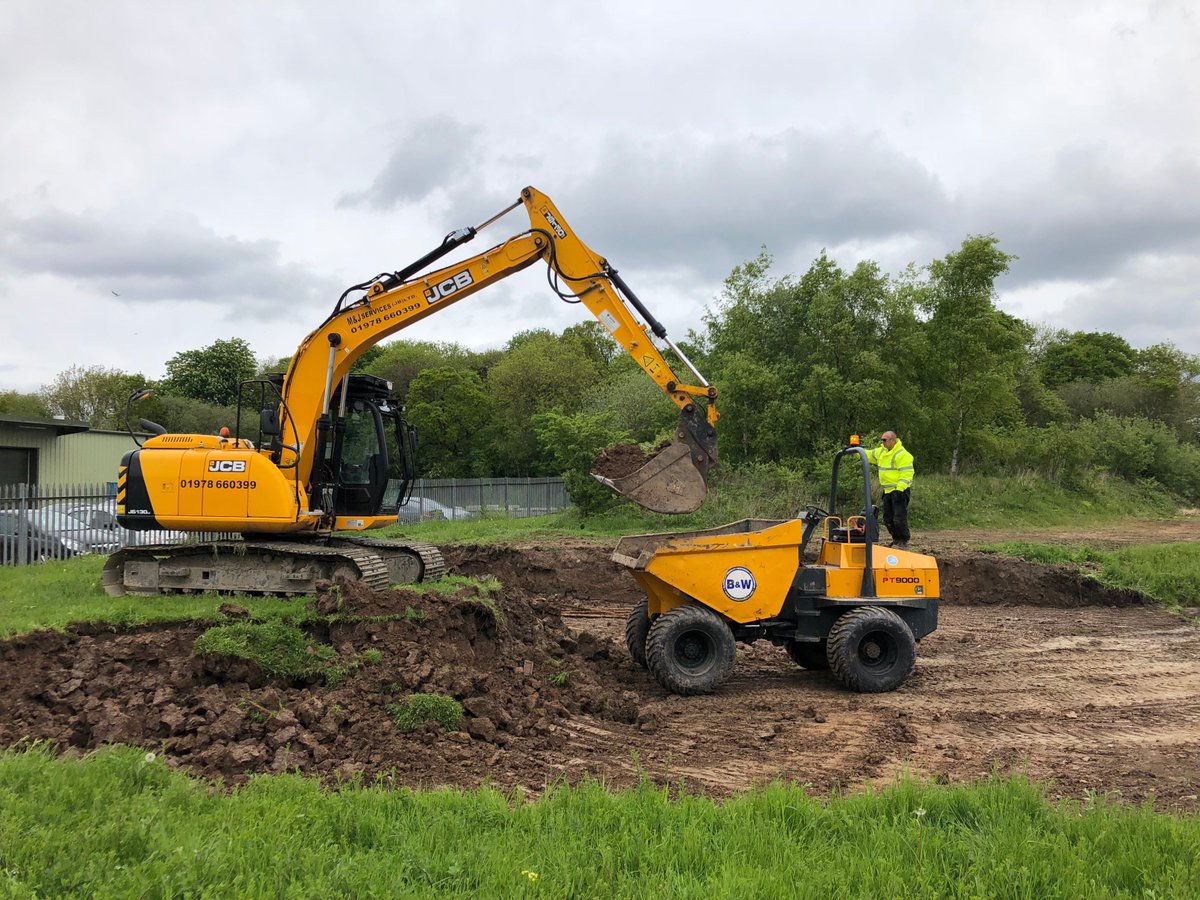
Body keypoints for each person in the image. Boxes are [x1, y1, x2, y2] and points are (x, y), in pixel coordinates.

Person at [865, 430, 914, 549]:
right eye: (881, 439)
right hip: (887, 491)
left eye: (884, 440)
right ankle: (896, 539)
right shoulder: (881, 451)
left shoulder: (902, 454)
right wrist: (854, 450)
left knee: (899, 518)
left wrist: (899, 489)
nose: (882, 442)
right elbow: (868, 454)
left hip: (899, 491)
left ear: (892, 440)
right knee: (887, 518)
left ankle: (903, 540)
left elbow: (907, 473)